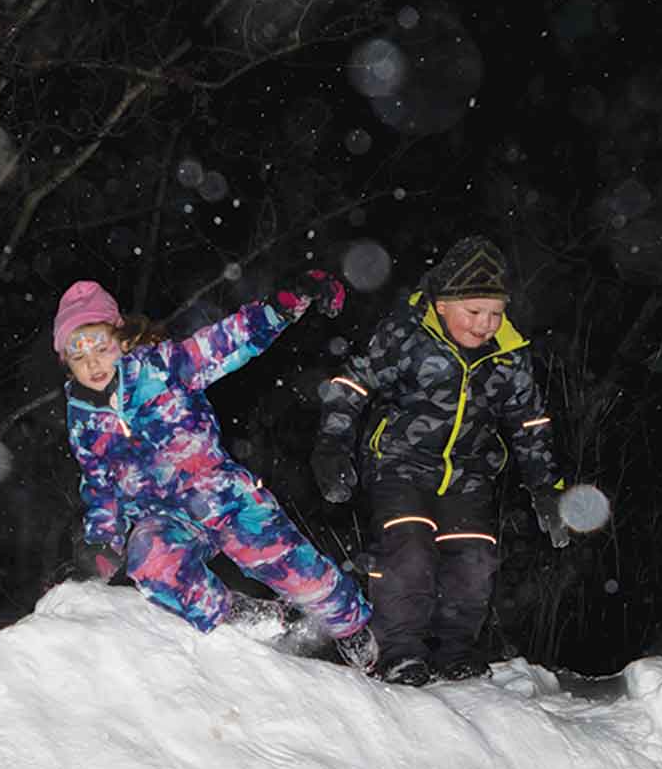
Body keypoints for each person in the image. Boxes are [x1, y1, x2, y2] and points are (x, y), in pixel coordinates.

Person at [53, 272, 378, 672]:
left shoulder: (163, 367)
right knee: (150, 560)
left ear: (119, 340)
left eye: (100, 348)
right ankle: (240, 615)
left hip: (221, 494)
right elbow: (98, 482)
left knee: (293, 565)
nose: (93, 363)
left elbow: (227, 341)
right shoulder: (82, 419)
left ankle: (349, 624)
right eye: (79, 356)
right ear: (67, 364)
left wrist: (283, 305)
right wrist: (102, 540)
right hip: (161, 515)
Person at [310, 236, 569, 687]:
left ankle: (455, 650)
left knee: (473, 559)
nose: (486, 324)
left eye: (495, 312)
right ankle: (398, 650)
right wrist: (332, 445)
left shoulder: (508, 355)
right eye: (474, 312)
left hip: (469, 473)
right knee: (408, 552)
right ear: (444, 304)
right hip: (399, 464)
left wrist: (546, 487)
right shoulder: (408, 334)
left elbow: (529, 422)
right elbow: (353, 382)